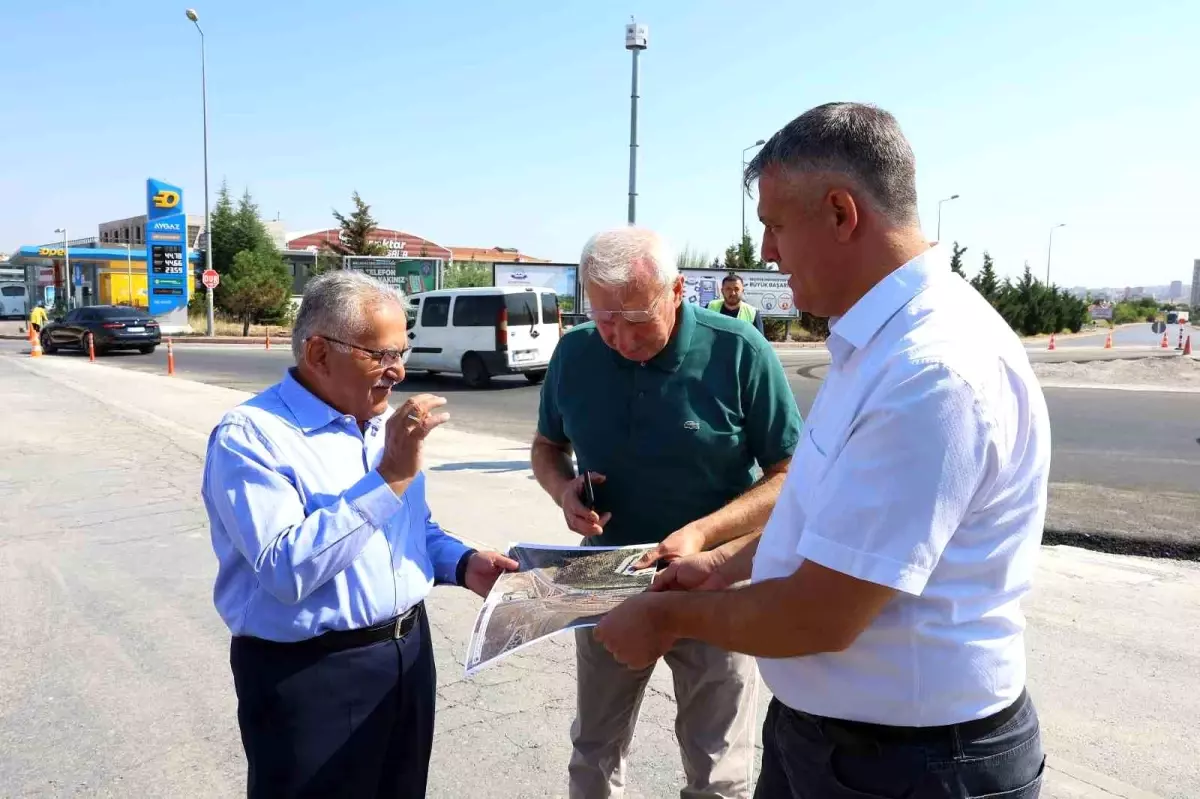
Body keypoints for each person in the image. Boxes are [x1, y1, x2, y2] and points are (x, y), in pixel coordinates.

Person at [594, 102, 1050, 798]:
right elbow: (822, 513)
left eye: (774, 225)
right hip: (838, 741)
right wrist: (720, 563)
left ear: (842, 213)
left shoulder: (933, 371)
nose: (767, 252)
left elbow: (822, 612)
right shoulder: (876, 343)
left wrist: (665, 617)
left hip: (912, 765)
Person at [201, 270, 518, 798]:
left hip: (405, 657)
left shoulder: (378, 425)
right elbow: (285, 570)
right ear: (320, 354)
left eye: (403, 351)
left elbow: (413, 531)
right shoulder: (252, 438)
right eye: (381, 355)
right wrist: (389, 477)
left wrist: (464, 564)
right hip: (310, 674)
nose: (398, 372)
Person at [531, 226, 803, 799]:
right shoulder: (576, 352)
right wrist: (563, 492)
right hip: (607, 578)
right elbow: (546, 447)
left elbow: (791, 477)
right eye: (604, 319)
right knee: (594, 749)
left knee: (718, 766)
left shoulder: (739, 351)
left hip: (714, 582)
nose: (618, 338)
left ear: (677, 290)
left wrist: (704, 534)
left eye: (634, 319)